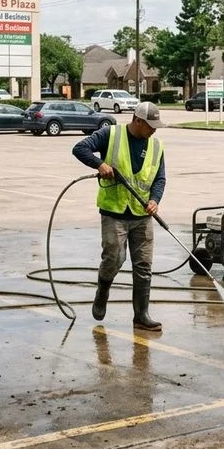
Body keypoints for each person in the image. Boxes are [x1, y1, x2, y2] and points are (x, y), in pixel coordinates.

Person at [72, 102, 167, 331]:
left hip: (142, 214)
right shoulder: (110, 134)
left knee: (144, 265)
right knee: (114, 258)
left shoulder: (156, 145)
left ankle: (141, 316)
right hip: (114, 212)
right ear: (137, 121)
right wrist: (100, 163)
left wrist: (154, 200)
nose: (154, 130)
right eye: (150, 126)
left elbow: (160, 179)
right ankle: (103, 290)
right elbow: (80, 148)